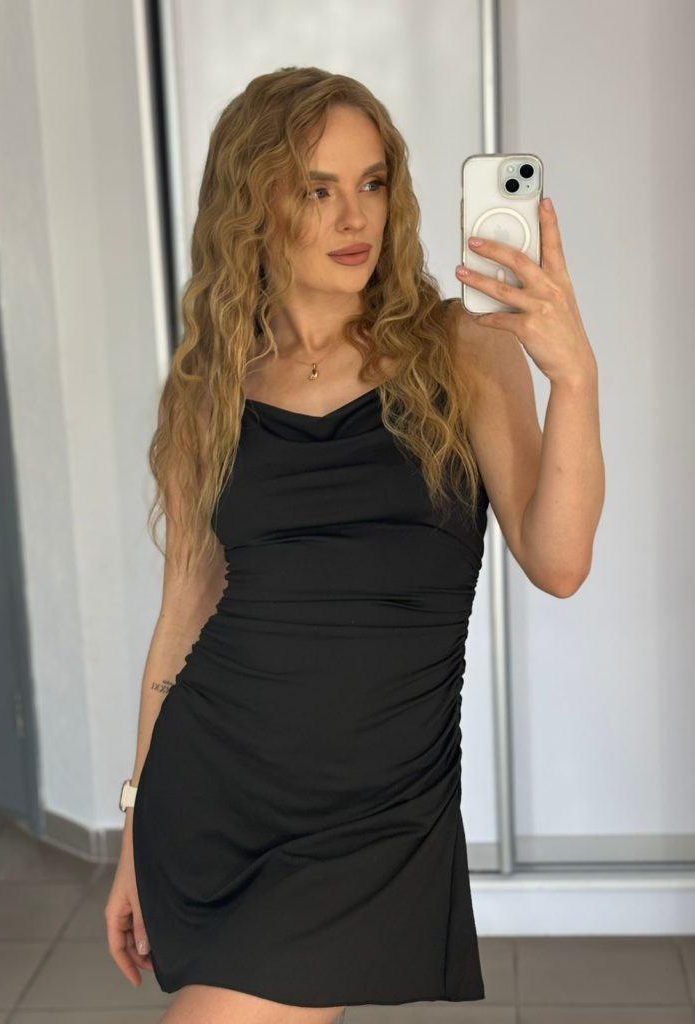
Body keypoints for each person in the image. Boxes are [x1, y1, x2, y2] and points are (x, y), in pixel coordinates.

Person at [105, 67, 604, 1024]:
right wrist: (133, 824)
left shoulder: (463, 349)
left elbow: (560, 561)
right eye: (316, 188)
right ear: (254, 204)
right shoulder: (211, 386)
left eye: (372, 183)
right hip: (216, 788)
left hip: (376, 812)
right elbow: (183, 615)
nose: (354, 217)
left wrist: (574, 379)